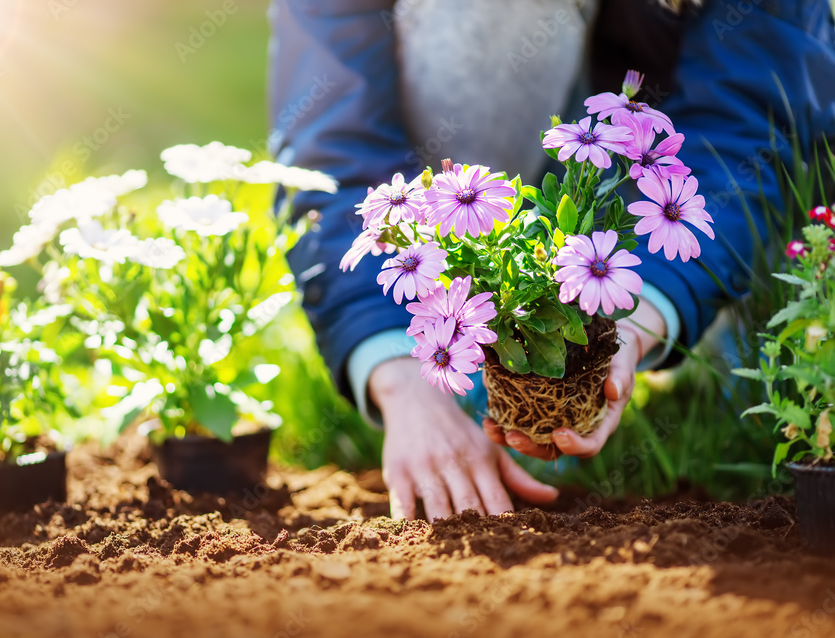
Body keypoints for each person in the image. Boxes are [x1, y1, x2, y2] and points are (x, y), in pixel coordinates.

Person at [266, 0, 835, 519]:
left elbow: (758, 109)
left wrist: (639, 317)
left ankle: (715, 330)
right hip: (521, 164)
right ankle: (467, 362)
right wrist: (395, 370)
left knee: (756, 367)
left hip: (666, 195)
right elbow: (326, 150)